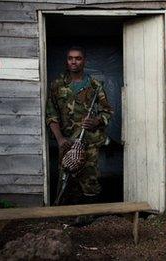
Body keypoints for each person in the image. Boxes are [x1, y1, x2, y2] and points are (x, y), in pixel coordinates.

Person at [46, 46, 113, 205]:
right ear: (67, 61)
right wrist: (60, 139)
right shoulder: (57, 85)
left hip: (88, 142)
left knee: (90, 181)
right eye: (70, 58)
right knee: (65, 180)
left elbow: (107, 111)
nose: (74, 61)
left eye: (78, 58)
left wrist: (96, 121)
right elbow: (51, 114)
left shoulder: (95, 85)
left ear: (84, 61)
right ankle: (65, 218)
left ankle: (89, 218)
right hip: (67, 142)